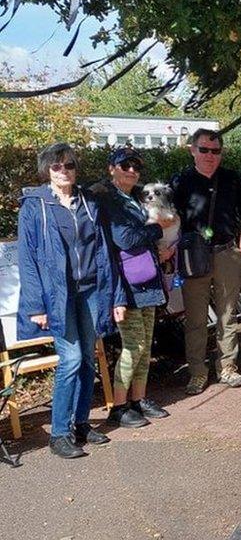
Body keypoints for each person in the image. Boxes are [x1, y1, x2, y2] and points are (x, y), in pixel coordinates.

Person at [17, 143, 126, 458]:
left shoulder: (89, 202)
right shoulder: (34, 206)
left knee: (89, 359)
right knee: (72, 360)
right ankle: (59, 433)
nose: (63, 171)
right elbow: (28, 260)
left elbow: (106, 252)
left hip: (90, 289)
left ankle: (80, 424)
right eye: (56, 166)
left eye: (68, 165)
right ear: (47, 170)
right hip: (57, 294)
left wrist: (115, 296)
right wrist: (35, 305)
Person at [91, 148, 175, 429]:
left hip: (146, 279)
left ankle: (138, 400)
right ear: (111, 168)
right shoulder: (108, 199)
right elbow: (124, 239)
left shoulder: (135, 198)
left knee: (144, 344)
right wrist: (156, 229)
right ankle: (118, 406)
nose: (131, 170)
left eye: (136, 166)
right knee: (132, 345)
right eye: (124, 165)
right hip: (125, 284)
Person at [171, 129, 241, 395]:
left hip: (227, 252)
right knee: (195, 318)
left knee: (228, 314)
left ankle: (227, 366)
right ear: (192, 150)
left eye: (215, 151)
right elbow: (170, 218)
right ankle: (197, 372)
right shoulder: (181, 181)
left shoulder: (231, 179)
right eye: (204, 149)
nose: (210, 155)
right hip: (194, 255)